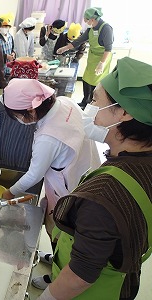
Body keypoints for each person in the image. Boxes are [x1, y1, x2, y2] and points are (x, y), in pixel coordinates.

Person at [38, 57, 152, 300]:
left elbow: (80, 275)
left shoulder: (104, 195)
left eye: (94, 100)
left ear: (123, 113)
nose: (88, 110)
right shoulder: (141, 160)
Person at [0, 79, 100, 289]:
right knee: (57, 228)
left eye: (17, 115)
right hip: (83, 169)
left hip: (67, 188)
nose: (18, 120)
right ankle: (56, 258)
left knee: (62, 232)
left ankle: (56, 277)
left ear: (31, 111)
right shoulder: (64, 102)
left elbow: (34, 175)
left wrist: (9, 192)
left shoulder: (48, 137)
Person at [0, 63, 38, 172]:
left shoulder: (38, 104)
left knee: (23, 184)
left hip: (26, 157)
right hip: (3, 154)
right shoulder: (0, 103)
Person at [56, 7, 114, 109]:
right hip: (92, 58)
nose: (85, 22)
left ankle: (93, 105)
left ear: (92, 19)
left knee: (96, 83)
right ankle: (85, 101)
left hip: (102, 58)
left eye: (86, 19)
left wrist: (102, 63)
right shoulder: (91, 30)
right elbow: (78, 41)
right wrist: (64, 48)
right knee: (86, 79)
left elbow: (108, 49)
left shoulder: (106, 29)